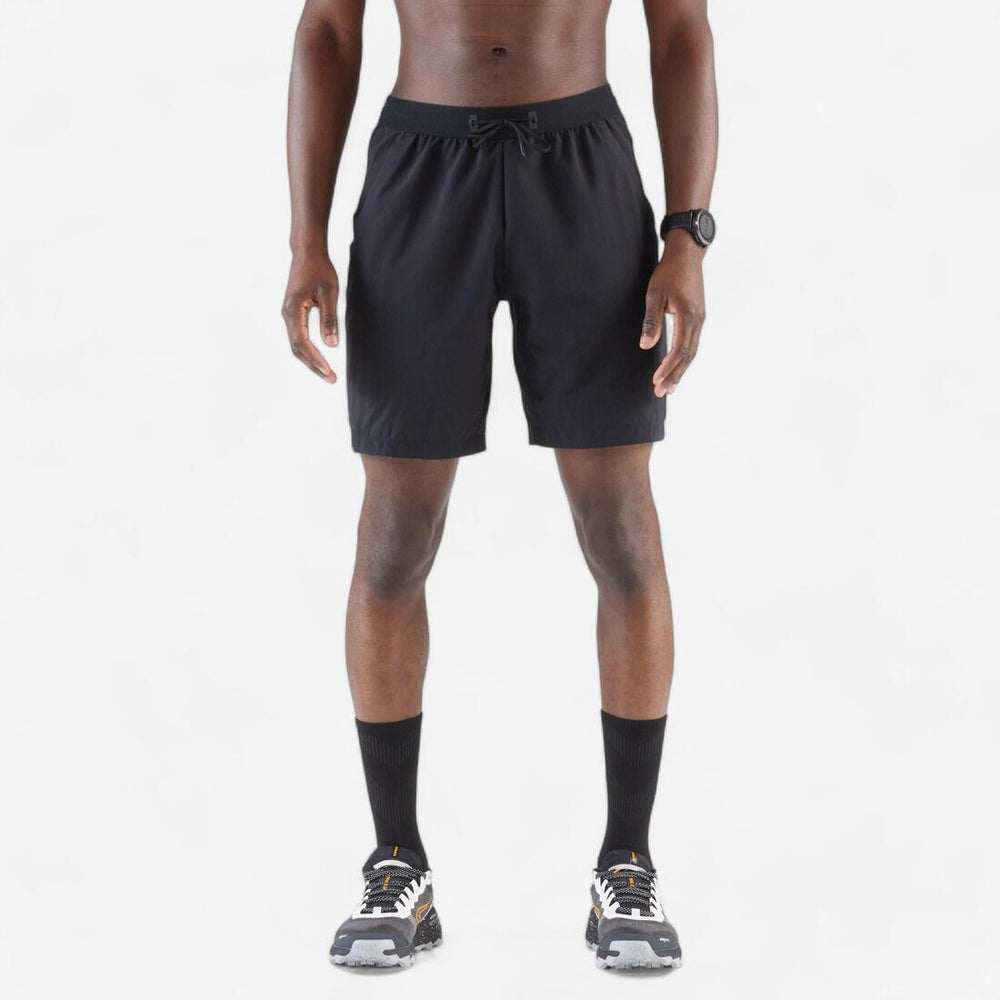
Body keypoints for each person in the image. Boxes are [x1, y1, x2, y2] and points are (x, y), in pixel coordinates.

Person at [281, 0, 718, 971]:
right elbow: (327, 29)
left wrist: (686, 235)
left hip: (583, 168)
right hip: (421, 168)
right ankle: (397, 860)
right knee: (395, 535)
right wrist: (306, 234)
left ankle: (628, 861)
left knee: (619, 529)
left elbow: (681, 30)